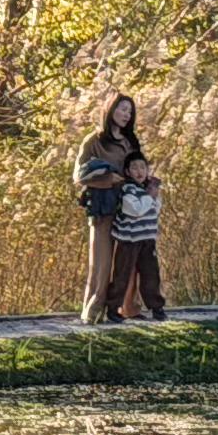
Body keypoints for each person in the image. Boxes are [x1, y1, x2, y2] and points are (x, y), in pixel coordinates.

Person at [74, 94, 140, 323]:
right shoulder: (94, 140)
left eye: (130, 112)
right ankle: (93, 310)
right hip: (102, 206)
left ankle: (126, 307)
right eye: (123, 110)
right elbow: (79, 175)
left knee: (128, 259)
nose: (126, 115)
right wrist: (107, 178)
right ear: (111, 110)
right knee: (101, 262)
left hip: (128, 206)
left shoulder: (130, 141)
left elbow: (137, 168)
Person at [105, 152, 168, 321]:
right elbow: (136, 210)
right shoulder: (127, 189)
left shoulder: (148, 188)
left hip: (147, 239)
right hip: (129, 241)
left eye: (142, 167)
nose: (139, 171)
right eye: (134, 168)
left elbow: (155, 209)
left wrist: (153, 197)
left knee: (151, 275)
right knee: (122, 275)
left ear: (147, 170)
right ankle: (113, 309)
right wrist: (150, 197)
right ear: (127, 171)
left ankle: (157, 307)